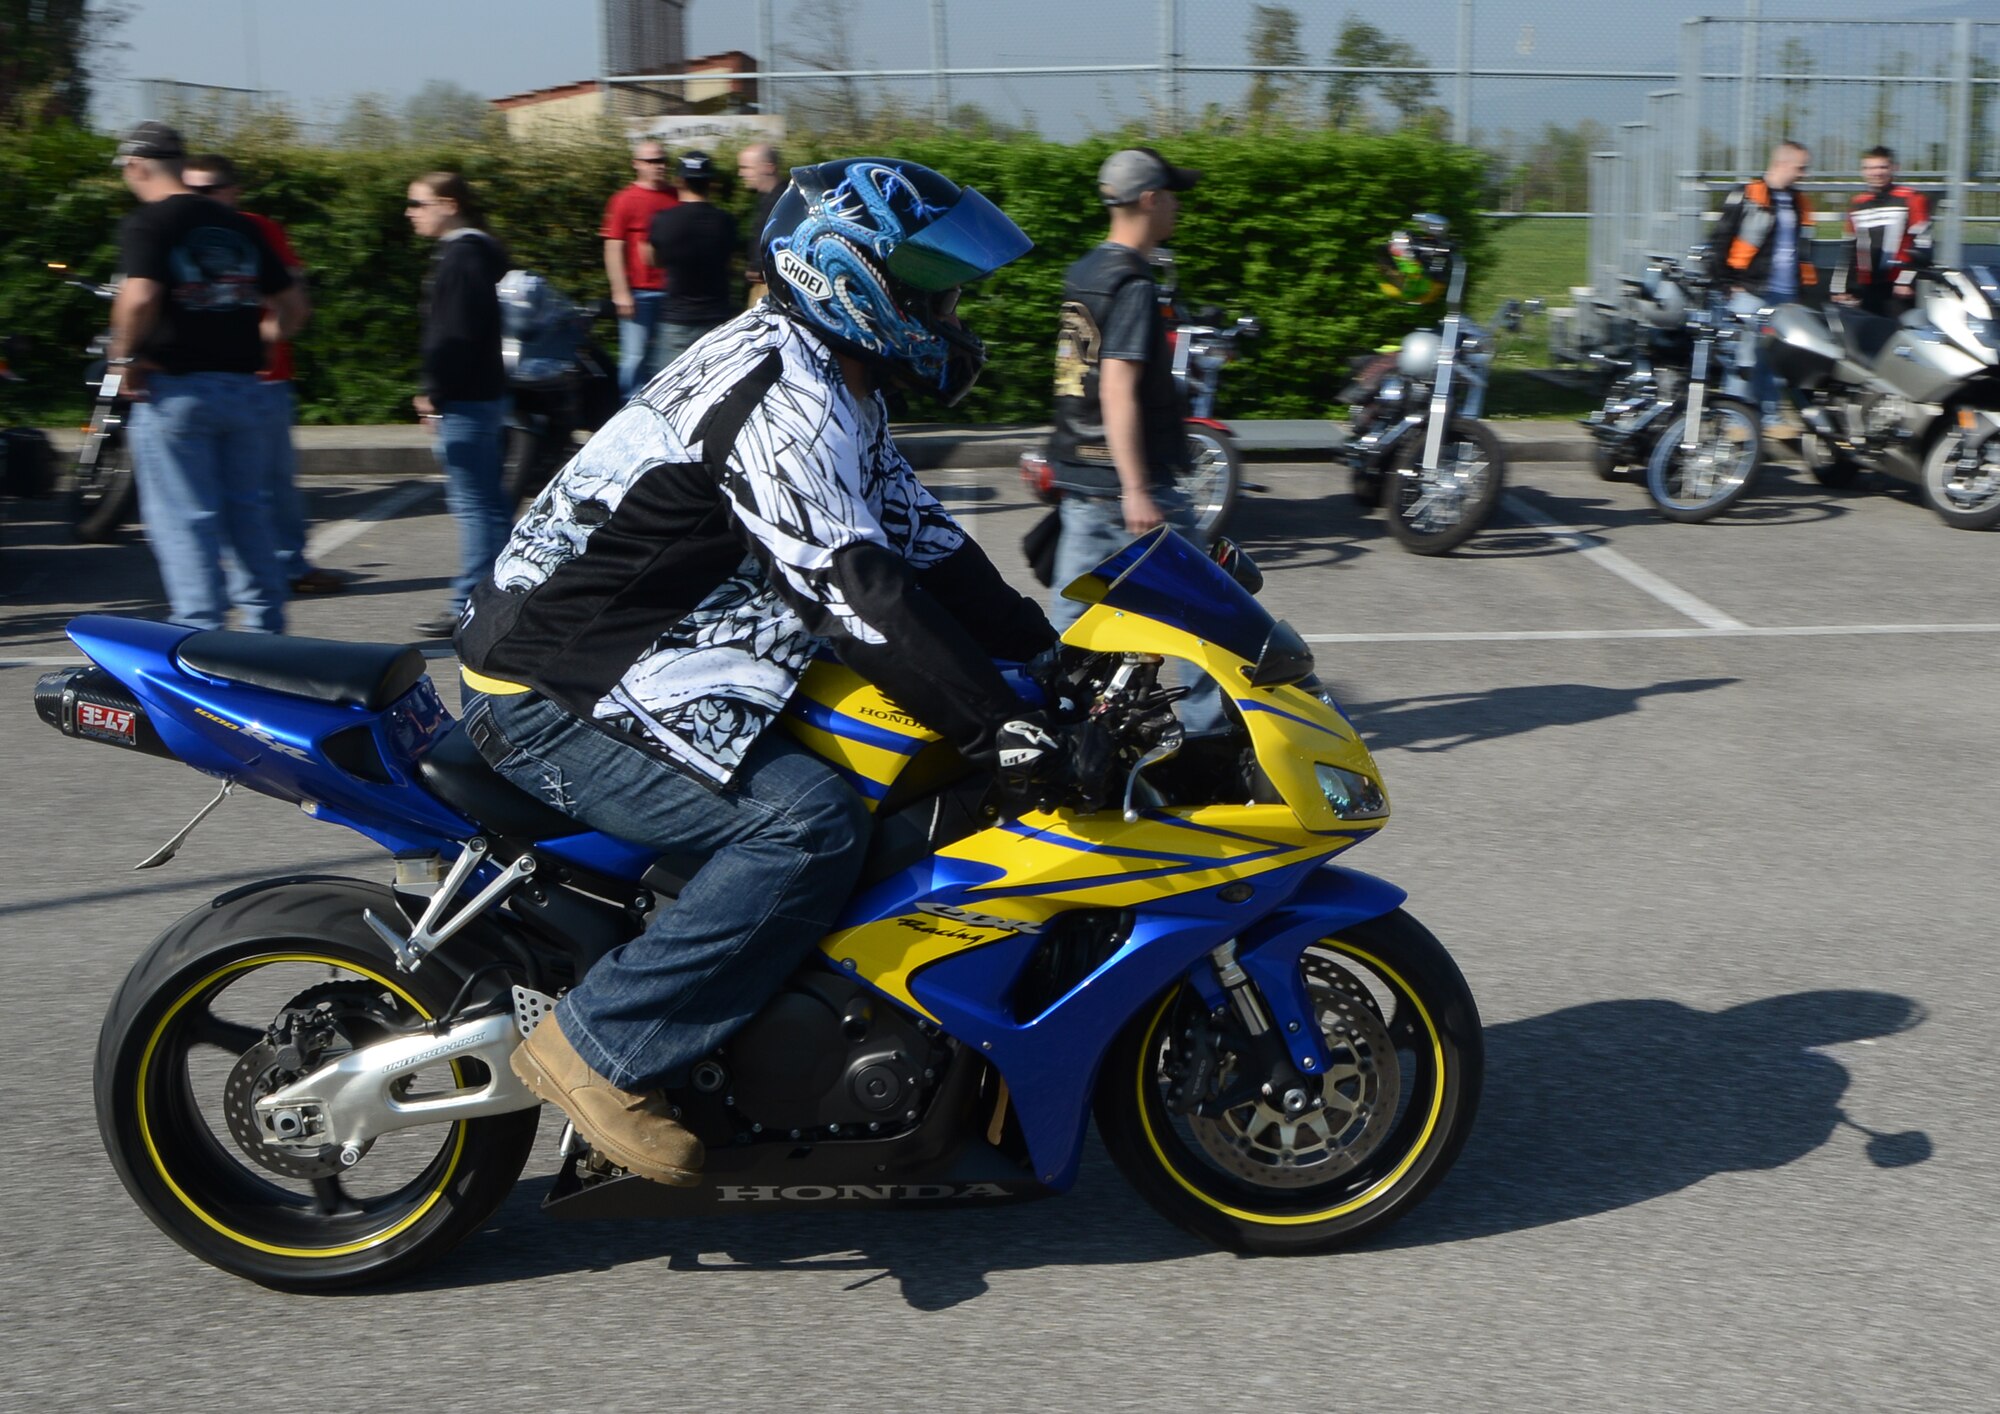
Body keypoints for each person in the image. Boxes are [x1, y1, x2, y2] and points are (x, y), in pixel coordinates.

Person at [456, 158, 1061, 1186]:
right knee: (805, 823)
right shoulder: (784, 397)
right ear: (852, 277)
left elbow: (920, 544)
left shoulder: (829, 380)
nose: (951, 313)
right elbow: (857, 591)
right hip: (555, 694)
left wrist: (1047, 654)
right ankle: (598, 1046)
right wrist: (996, 725)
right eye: (934, 290)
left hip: (640, 659)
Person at [1044, 147, 1221, 729]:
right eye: (1170, 196)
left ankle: (1054, 718)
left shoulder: (1086, 271)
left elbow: (1076, 375)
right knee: (1203, 606)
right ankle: (1208, 730)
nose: (1175, 207)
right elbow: (1117, 388)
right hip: (1127, 481)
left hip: (1079, 471)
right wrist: (1137, 487)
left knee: (1072, 615)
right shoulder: (1135, 285)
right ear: (1149, 200)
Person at [108, 121, 307, 633]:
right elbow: (292, 305)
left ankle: (201, 643)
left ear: (136, 166)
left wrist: (124, 358)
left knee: (185, 522)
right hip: (245, 390)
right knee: (249, 515)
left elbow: (142, 296)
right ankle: (267, 638)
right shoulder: (239, 225)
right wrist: (260, 341)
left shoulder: (149, 223)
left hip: (177, 391)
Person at [181, 153, 343, 597]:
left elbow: (291, 290)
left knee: (272, 482)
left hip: (262, 378)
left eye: (209, 189)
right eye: (190, 188)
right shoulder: (172, 227)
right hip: (194, 378)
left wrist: (270, 335)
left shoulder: (256, 228)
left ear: (233, 191)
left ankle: (290, 566)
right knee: (206, 489)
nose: (198, 198)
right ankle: (226, 577)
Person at [407, 171, 509, 640]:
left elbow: (454, 335)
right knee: (486, 504)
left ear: (448, 204)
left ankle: (470, 601)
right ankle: (502, 594)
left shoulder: (461, 256)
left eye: (418, 203)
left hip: (466, 399)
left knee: (474, 507)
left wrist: (435, 393)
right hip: (482, 394)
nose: (411, 213)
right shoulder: (475, 253)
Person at [1710, 140, 1816, 437]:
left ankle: (1768, 418)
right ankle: (1736, 421)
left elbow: (1803, 250)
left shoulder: (1798, 202)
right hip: (1749, 290)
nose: (1804, 174)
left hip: (1785, 294)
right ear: (1783, 164)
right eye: (1801, 167)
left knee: (1771, 358)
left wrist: (1801, 292)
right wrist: (1725, 283)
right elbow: (1720, 239)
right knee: (1744, 356)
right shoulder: (1747, 194)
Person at [641, 151, 738, 376]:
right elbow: (730, 262)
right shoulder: (726, 221)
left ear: (679, 181)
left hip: (676, 319)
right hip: (717, 318)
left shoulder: (663, 220)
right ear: (711, 183)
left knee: (670, 395)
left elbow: (652, 260)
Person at [600, 139, 680, 397]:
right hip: (639, 292)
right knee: (634, 357)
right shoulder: (624, 200)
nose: (659, 166)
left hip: (672, 291)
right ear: (636, 164)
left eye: (662, 160)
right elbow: (613, 247)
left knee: (667, 358)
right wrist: (620, 292)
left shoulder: (676, 196)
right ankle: (628, 412)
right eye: (652, 161)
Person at [1842, 146, 1932, 317]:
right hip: (1866, 288)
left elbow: (1923, 245)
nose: (1876, 173)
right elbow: (1849, 248)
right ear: (1863, 171)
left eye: (1882, 167)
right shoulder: (1857, 203)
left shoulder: (1913, 198)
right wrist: (1842, 287)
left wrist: (1907, 282)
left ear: (1894, 168)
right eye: (1870, 168)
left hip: (1898, 289)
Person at [736, 142, 784, 309]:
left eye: (746, 168)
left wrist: (759, 267)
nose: (741, 173)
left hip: (769, 290)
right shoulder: (766, 200)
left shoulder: (783, 203)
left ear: (768, 167)